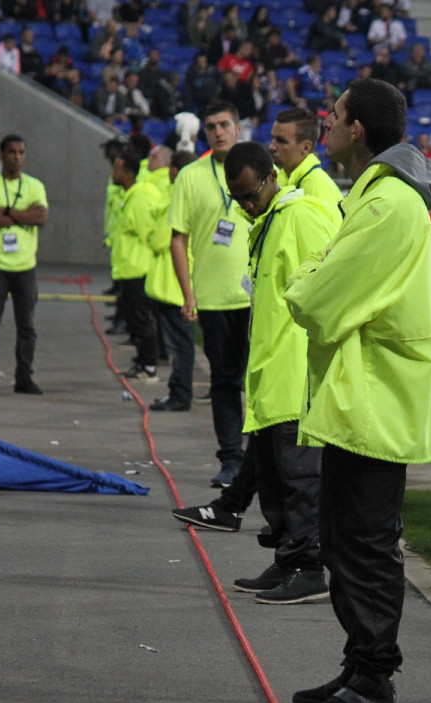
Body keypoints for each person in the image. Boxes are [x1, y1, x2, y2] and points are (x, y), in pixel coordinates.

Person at [283, 78, 431, 703]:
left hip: (375, 401)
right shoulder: (378, 198)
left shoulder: (385, 207)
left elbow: (316, 298)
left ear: (357, 130)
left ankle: (374, 678)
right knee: (345, 540)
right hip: (366, 398)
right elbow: (328, 282)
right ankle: (360, 667)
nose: (326, 122)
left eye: (334, 114)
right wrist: (318, 275)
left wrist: (310, 278)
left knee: (364, 545)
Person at [172, 142, 338, 604]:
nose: (245, 204)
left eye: (250, 194)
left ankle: (309, 567)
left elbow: (330, 282)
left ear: (271, 177)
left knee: (299, 476)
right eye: (237, 197)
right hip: (269, 372)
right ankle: (288, 560)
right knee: (273, 476)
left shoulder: (301, 216)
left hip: (294, 370)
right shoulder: (266, 223)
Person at [169, 100, 252, 488]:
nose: (218, 132)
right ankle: (232, 458)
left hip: (257, 297)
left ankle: (263, 459)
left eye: (224, 124)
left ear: (238, 128)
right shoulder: (190, 176)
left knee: (264, 384)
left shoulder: (259, 167)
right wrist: (188, 294)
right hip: (215, 298)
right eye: (211, 127)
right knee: (224, 382)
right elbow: (178, 239)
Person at [0, 135, 48, 394]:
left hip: (24, 265)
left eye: (21, 152)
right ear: (1, 154)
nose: (17, 157)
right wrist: (21, 215)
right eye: (12, 152)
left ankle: (24, 376)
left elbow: (40, 217)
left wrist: (7, 212)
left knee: (26, 325)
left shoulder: (35, 185)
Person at [146, 149, 197, 412]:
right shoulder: (192, 197)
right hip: (179, 283)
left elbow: (157, 240)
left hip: (174, 285)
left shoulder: (175, 201)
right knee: (181, 343)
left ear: (175, 171)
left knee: (180, 345)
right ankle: (179, 392)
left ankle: (180, 394)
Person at [109, 150, 164, 382]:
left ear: (128, 173)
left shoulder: (140, 198)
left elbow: (148, 234)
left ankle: (149, 365)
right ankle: (142, 361)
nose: (112, 174)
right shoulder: (131, 195)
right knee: (135, 319)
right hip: (128, 268)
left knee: (141, 319)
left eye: (117, 169)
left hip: (138, 269)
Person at [268, 107, 343, 223]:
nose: (272, 147)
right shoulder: (280, 178)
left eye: (281, 141)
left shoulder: (318, 188)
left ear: (306, 147)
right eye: (273, 139)